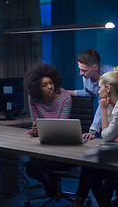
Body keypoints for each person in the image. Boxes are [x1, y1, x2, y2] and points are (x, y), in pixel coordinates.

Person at [67, 66, 118, 207]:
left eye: (100, 87)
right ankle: (97, 204)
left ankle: (84, 204)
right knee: (89, 166)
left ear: (108, 89)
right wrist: (113, 136)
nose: (98, 91)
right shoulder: (111, 103)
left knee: (91, 169)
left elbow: (106, 134)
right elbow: (110, 133)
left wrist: (103, 111)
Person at [23, 62, 72, 196]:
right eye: (44, 85)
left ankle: (51, 184)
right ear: (37, 88)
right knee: (31, 169)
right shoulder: (33, 99)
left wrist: (40, 130)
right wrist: (35, 131)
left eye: (51, 82)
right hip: (43, 143)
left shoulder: (65, 98)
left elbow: (61, 126)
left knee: (36, 166)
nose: (50, 87)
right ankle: (48, 182)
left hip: (61, 145)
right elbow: (36, 123)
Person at [61, 49, 118, 140]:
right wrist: (67, 92)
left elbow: (104, 102)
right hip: (107, 118)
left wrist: (93, 130)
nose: (80, 73)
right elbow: (88, 92)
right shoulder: (87, 76)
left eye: (83, 70)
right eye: (80, 69)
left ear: (95, 67)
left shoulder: (110, 75)